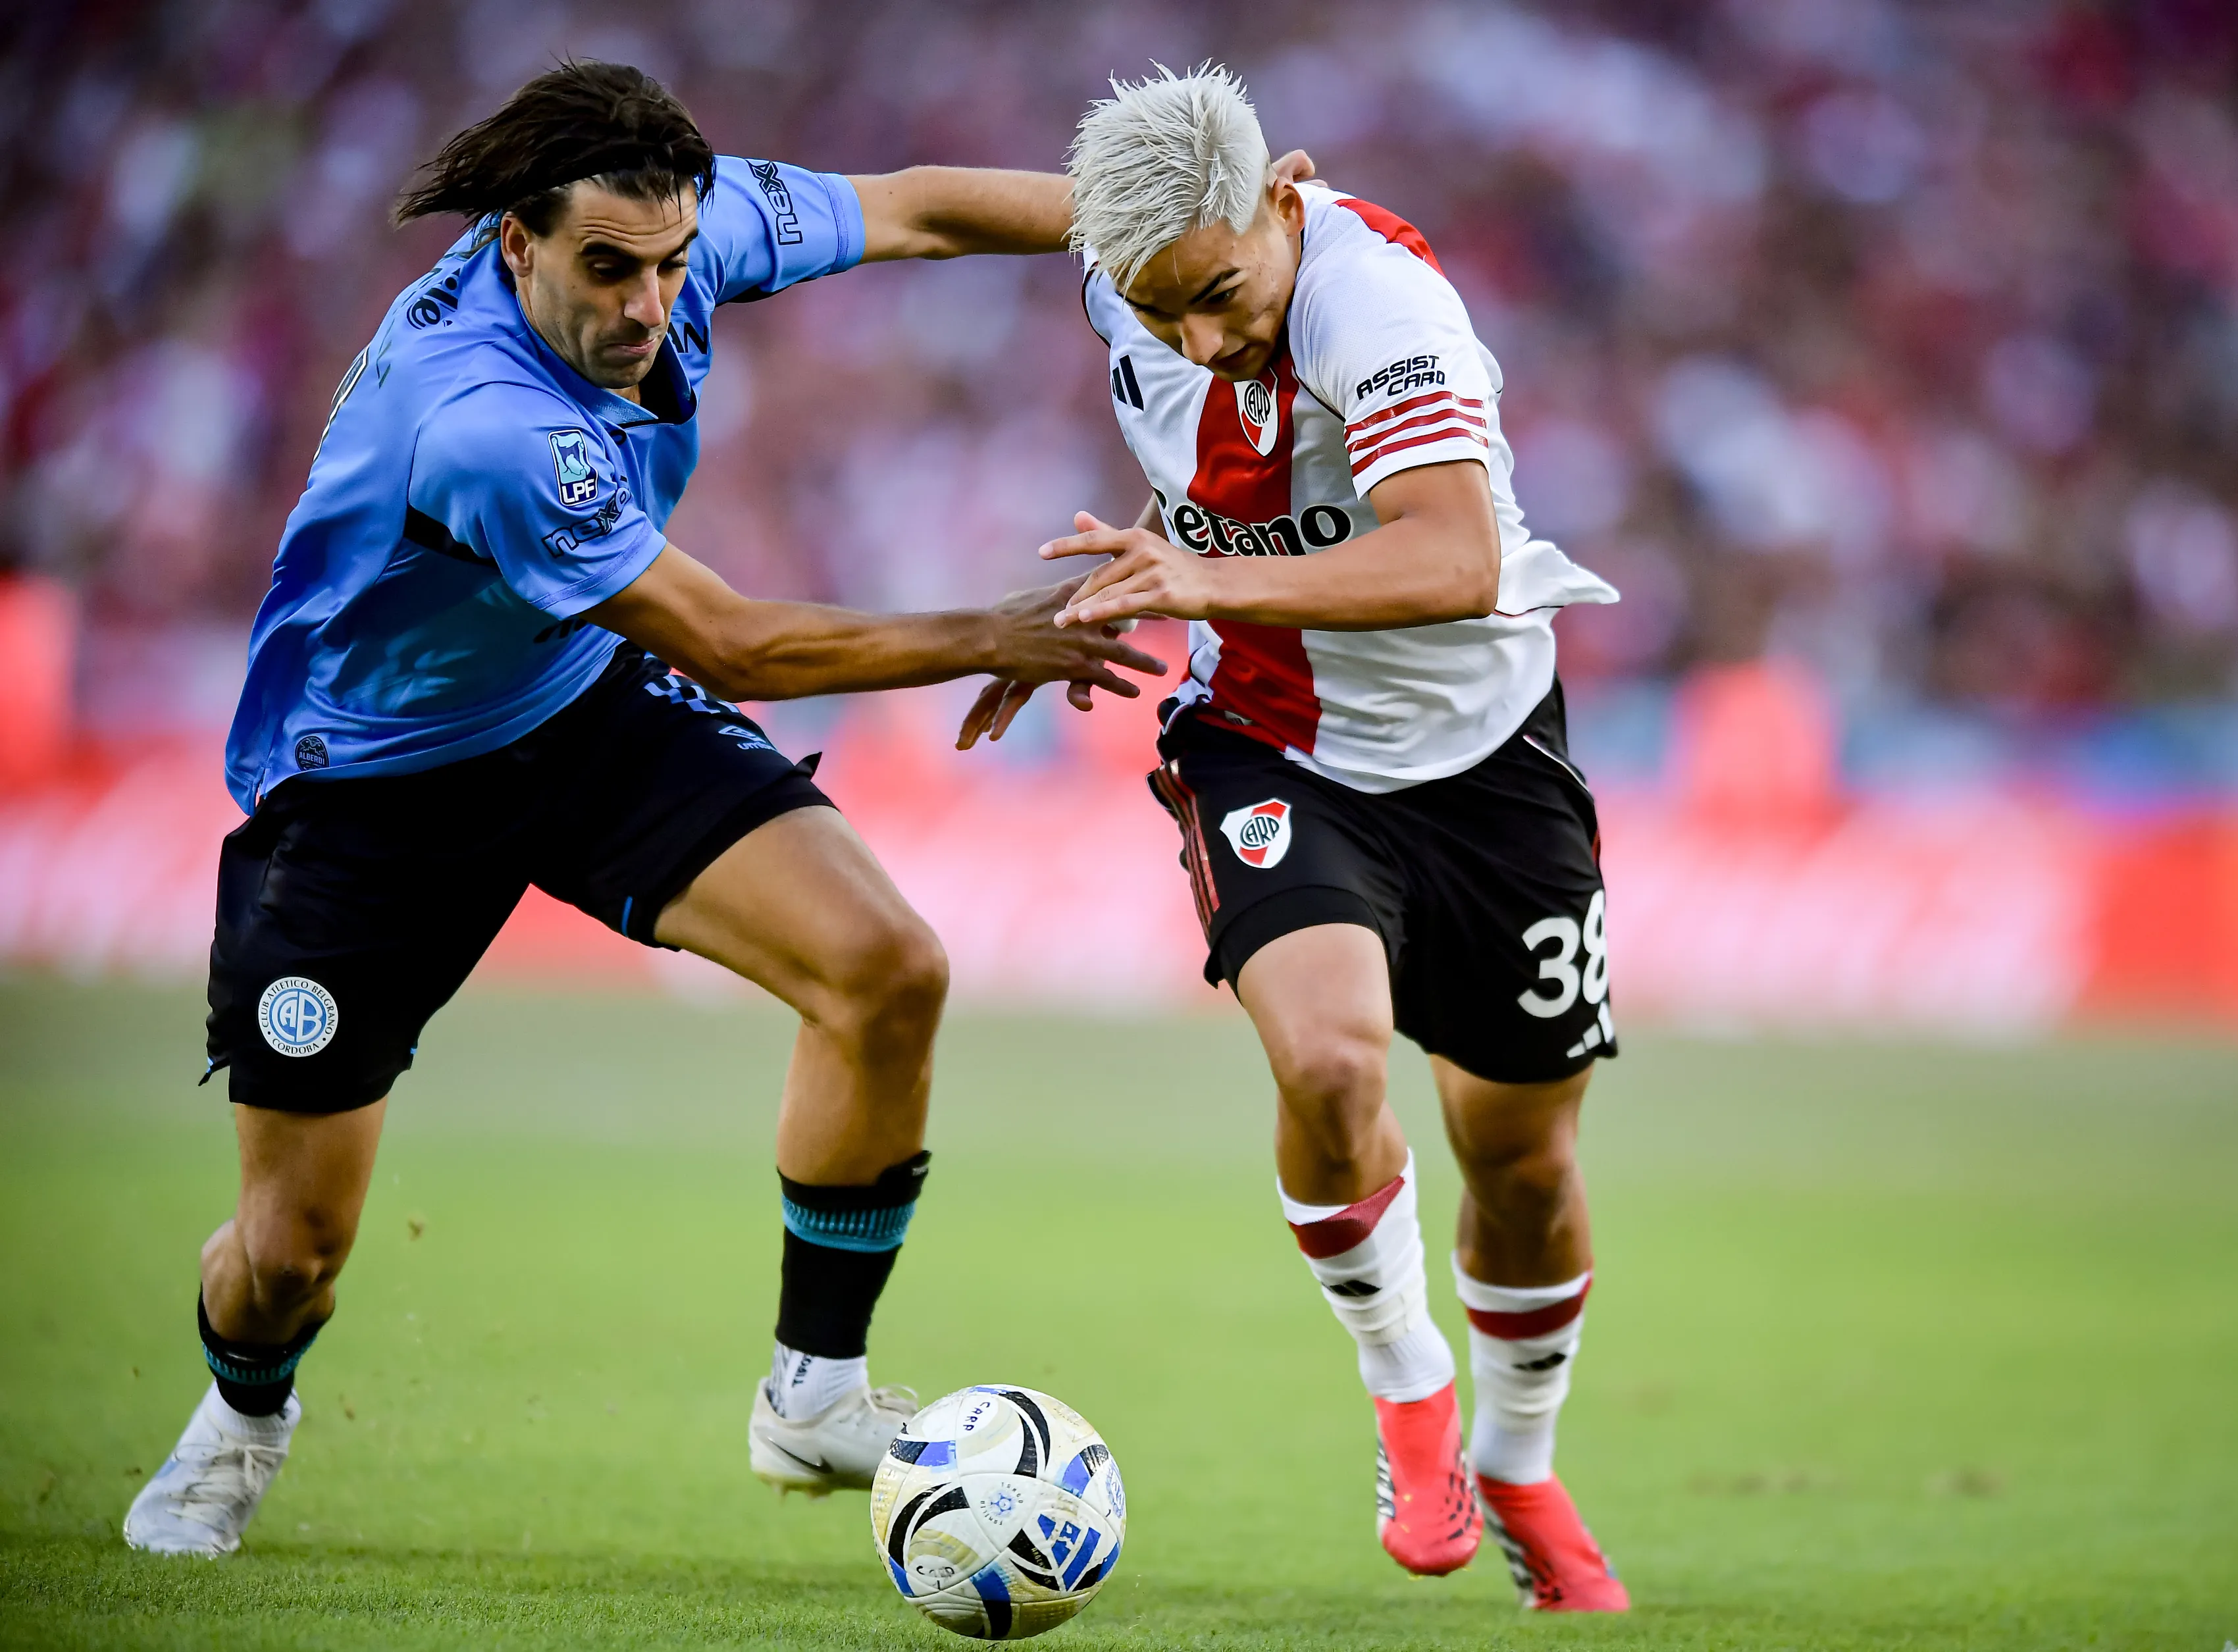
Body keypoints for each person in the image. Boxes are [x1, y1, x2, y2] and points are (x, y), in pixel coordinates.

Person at [119, 60, 1176, 1558]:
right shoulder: (480, 419)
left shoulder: (685, 222)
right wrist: (993, 631)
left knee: (886, 969)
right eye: (606, 271)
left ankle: (814, 1390)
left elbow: (922, 211)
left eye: (669, 266)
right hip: (365, 791)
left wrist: (1161, 220)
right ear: (515, 246)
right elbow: (738, 644)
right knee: (289, 1255)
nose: (646, 304)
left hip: (570, 705)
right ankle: (239, 1417)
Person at [960, 66, 1629, 1612]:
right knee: (1327, 1061)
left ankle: (1520, 1453)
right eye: (1159, 311)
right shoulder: (1137, 253)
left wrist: (1194, 579)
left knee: (1518, 1157)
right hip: (1266, 739)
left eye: (1217, 295)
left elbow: (1456, 556)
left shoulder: (1375, 307)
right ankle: (1411, 1407)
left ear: (1286, 193)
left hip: (1486, 757)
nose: (1199, 337)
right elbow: (937, 212)